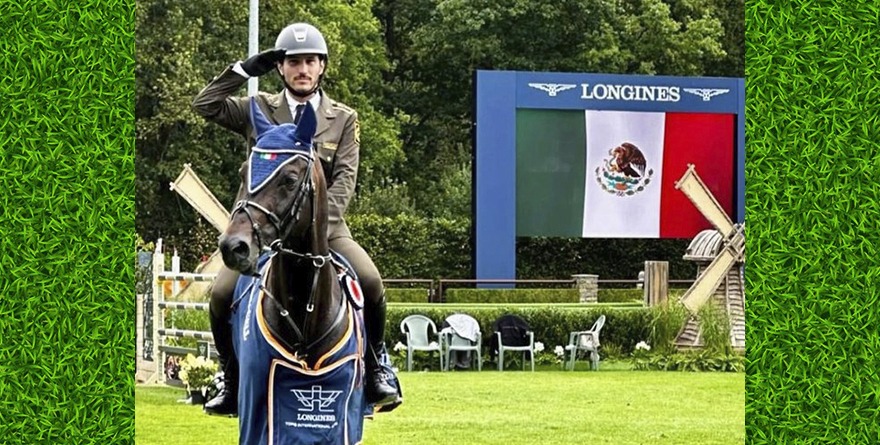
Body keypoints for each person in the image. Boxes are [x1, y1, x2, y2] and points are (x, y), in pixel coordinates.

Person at [192, 22, 398, 416]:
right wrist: (244, 70)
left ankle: (376, 368)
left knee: (371, 281)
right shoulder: (257, 109)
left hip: (324, 231)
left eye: (310, 61)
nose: (302, 69)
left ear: (322, 66)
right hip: (261, 231)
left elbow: (345, 180)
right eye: (293, 62)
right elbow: (205, 105)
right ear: (280, 67)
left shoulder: (344, 118)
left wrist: (315, 228)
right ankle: (230, 379)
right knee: (220, 294)